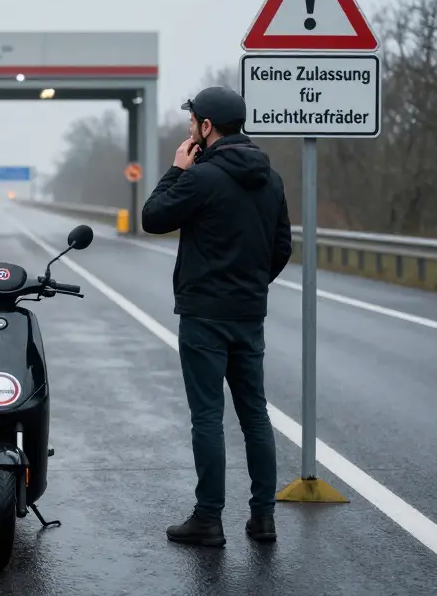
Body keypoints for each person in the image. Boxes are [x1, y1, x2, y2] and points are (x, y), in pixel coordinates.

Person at [141, 85, 293, 547]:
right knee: (255, 415)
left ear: (206, 128)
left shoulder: (201, 177)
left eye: (192, 123)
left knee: (207, 415)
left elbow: (153, 217)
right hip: (249, 315)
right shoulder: (272, 179)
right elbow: (282, 247)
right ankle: (263, 519)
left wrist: (174, 170)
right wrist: (248, 288)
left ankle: (208, 519)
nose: (189, 130)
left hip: (205, 314)